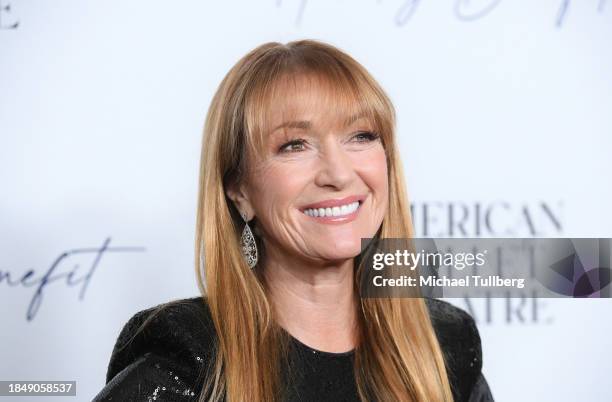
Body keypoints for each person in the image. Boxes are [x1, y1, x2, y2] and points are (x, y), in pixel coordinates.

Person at [93, 39, 494, 402]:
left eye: (361, 136)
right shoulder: (190, 358)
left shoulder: (445, 343)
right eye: (294, 145)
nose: (337, 174)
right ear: (240, 191)